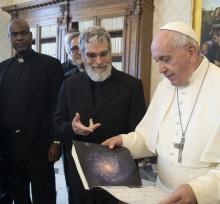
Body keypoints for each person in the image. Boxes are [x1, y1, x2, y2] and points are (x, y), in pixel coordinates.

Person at [103, 21, 220, 204]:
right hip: (161, 194)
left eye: (166, 59)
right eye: (158, 61)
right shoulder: (165, 87)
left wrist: (198, 191)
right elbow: (149, 137)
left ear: (191, 52)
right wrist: (125, 141)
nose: (160, 70)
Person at [53, 26, 146, 204]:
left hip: (119, 175)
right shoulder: (69, 85)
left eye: (104, 54)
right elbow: (57, 125)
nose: (98, 61)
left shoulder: (132, 86)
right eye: (91, 55)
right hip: (80, 175)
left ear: (111, 52)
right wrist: (72, 128)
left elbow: (140, 133)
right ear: (81, 54)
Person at [0, 18, 64, 204]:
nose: (19, 38)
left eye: (23, 33)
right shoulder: (2, 68)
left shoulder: (50, 65)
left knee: (44, 196)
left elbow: (58, 108)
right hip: (10, 146)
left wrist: (57, 141)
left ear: (31, 35)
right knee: (18, 195)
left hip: (41, 146)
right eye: (15, 34)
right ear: (10, 38)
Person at [62, 31, 85, 204]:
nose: (78, 52)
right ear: (69, 53)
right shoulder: (66, 80)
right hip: (72, 143)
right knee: (74, 188)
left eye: (81, 47)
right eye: (74, 49)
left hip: (104, 143)